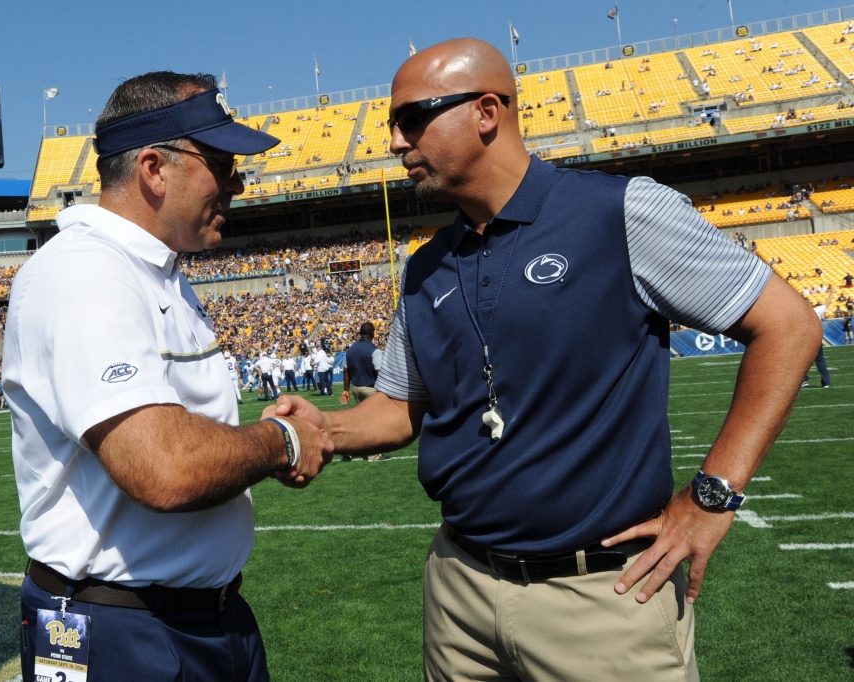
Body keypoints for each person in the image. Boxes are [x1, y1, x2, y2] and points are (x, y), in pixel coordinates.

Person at [268, 39, 821, 681]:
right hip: (458, 587)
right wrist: (323, 430)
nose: (395, 141)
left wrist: (713, 495)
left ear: (485, 112)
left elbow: (788, 325)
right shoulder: (424, 267)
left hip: (600, 597)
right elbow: (401, 406)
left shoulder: (618, 212)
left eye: (413, 118)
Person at [4, 71, 333, 682]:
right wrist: (280, 442)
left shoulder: (154, 271)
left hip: (192, 617)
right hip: (120, 630)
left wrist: (249, 438)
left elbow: (181, 431)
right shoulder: (83, 275)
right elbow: (164, 468)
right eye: (223, 163)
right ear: (155, 169)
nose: (239, 182)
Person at [339, 322, 387, 462]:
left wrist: (345, 390)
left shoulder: (350, 350)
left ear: (360, 334)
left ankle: (348, 450)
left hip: (356, 388)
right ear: (372, 334)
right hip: (370, 388)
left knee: (360, 421)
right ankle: (373, 455)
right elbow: (379, 372)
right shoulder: (374, 350)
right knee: (374, 422)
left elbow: (346, 372)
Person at [803, 288, 834, 388]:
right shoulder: (816, 310)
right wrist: (832, 293)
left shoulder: (800, 313)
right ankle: (826, 382)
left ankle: (804, 380)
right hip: (816, 338)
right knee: (820, 360)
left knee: (803, 360)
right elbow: (827, 303)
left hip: (807, 340)